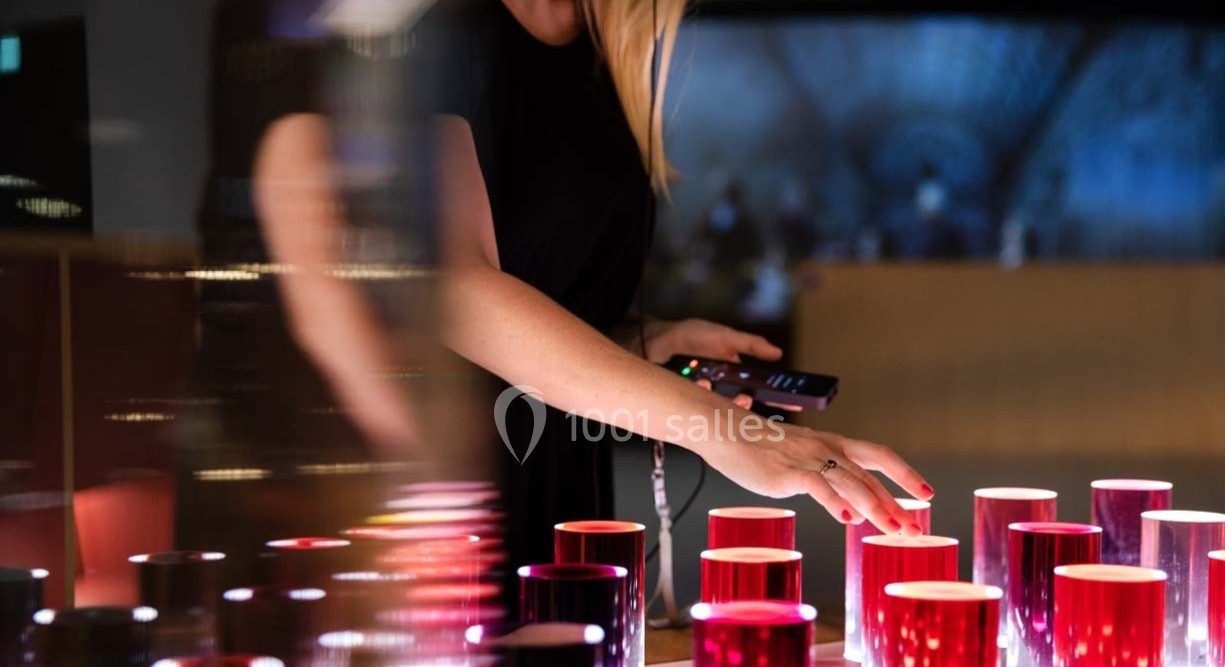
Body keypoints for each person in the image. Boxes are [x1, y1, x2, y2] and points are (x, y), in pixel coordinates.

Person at [223, 0, 935, 581]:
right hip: (430, 506)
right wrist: (718, 429)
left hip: (559, 499)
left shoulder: (607, 45)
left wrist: (639, 343)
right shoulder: (432, 25)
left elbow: (533, 289)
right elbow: (456, 287)